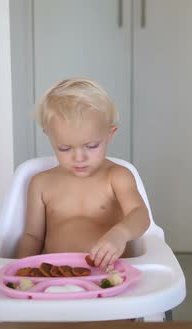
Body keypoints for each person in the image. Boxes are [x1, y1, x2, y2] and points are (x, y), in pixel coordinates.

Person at [15, 78, 150, 269]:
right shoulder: (41, 183)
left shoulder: (116, 176)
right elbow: (33, 236)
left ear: (110, 134)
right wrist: (21, 270)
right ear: (50, 137)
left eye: (91, 146)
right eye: (64, 148)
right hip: (55, 276)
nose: (79, 157)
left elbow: (141, 215)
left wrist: (120, 234)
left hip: (110, 275)